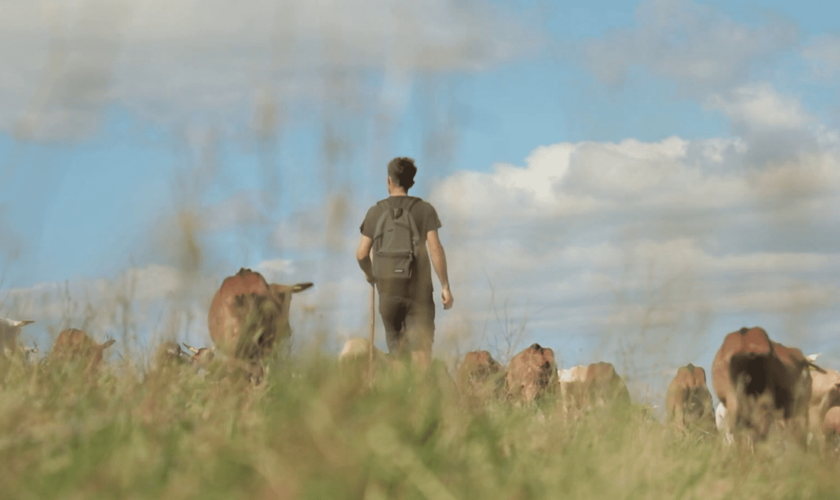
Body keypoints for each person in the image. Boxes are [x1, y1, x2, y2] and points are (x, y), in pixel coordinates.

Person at [356, 157, 454, 369]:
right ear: (412, 183)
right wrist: (445, 286)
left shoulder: (375, 212)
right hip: (419, 293)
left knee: (398, 356)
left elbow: (362, 254)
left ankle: (401, 399)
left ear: (388, 181)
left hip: (387, 293)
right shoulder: (424, 210)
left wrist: (370, 275)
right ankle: (420, 399)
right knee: (421, 356)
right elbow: (435, 248)